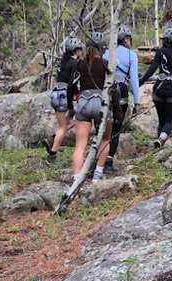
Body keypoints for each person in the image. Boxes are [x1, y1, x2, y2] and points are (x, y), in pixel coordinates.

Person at [139, 26, 172, 148]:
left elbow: (152, 69)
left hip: (159, 89)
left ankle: (158, 143)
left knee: (161, 119)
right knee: (169, 120)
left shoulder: (161, 52)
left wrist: (141, 81)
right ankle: (161, 139)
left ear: (166, 40)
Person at [102, 24, 141, 175]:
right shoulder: (131, 55)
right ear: (125, 40)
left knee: (104, 128)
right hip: (122, 91)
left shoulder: (106, 53)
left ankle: (98, 159)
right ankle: (109, 160)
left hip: (106, 90)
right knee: (117, 127)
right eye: (129, 39)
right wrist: (137, 101)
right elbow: (134, 80)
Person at [70, 32, 109, 184]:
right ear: (101, 48)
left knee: (80, 145)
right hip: (101, 103)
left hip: (83, 102)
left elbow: (71, 86)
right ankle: (98, 174)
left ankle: (76, 177)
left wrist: (71, 105)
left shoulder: (79, 63)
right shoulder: (106, 64)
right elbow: (114, 87)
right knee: (105, 139)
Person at [45, 37, 83, 163]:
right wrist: (76, 95)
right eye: (79, 50)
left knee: (68, 124)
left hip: (55, 93)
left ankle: (53, 138)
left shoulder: (63, 62)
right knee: (64, 126)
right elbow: (73, 83)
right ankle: (52, 154)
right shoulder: (75, 64)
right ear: (76, 50)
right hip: (63, 94)